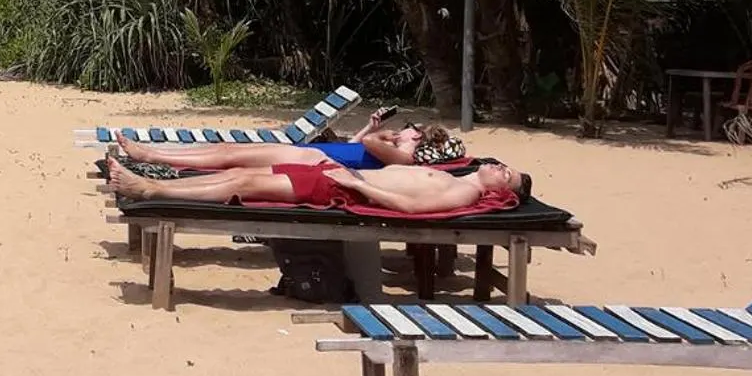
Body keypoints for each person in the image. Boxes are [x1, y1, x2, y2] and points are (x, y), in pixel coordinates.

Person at [102, 154, 530, 217]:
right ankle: (152, 183)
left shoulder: (465, 191)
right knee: (241, 175)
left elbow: (411, 208)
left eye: (505, 173)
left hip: (344, 188)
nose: (498, 167)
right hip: (342, 177)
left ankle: (152, 190)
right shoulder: (457, 174)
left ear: (500, 191)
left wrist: (358, 187)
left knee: (245, 183)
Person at [112, 109, 442, 172]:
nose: (403, 129)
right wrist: (369, 128)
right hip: (312, 152)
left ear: (419, 138)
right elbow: (356, 148)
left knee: (231, 159)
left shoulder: (405, 158)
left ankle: (153, 157)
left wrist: (380, 136)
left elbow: (368, 148)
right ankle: (157, 152)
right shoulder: (393, 150)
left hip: (310, 161)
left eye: (410, 128)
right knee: (229, 150)